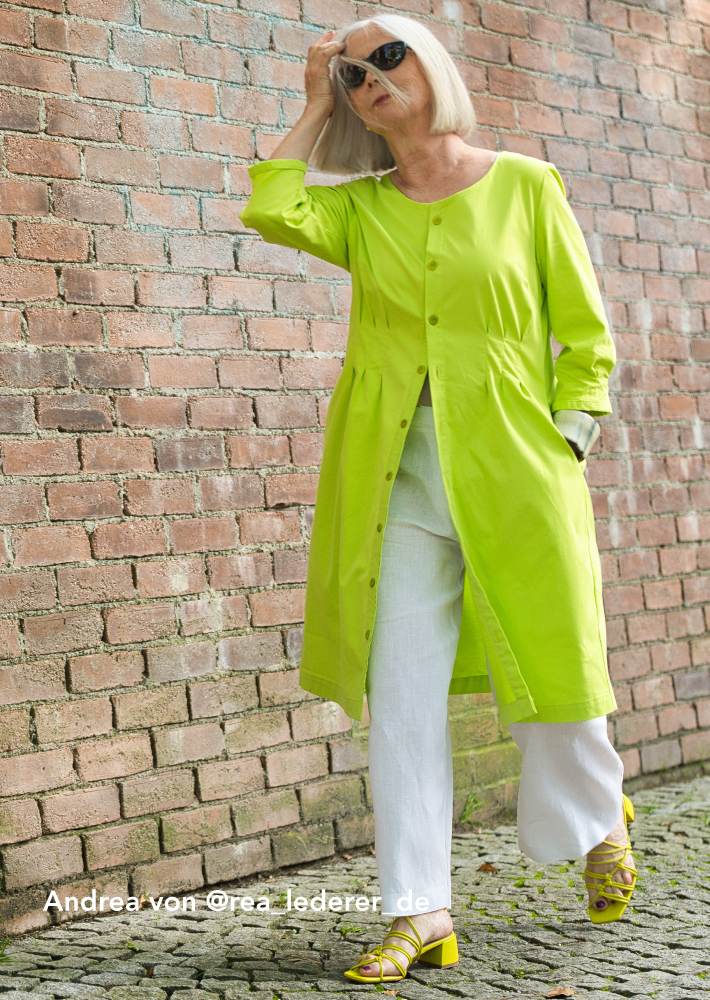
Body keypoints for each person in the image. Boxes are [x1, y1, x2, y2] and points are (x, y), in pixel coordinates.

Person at [239, 12, 638, 985]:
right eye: (352, 74)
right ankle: (418, 909)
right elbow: (273, 206)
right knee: (403, 694)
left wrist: (569, 436)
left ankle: (598, 819)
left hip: (517, 465)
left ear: (433, 64)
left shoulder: (526, 186)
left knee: (553, 661)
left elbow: (585, 338)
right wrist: (311, 103)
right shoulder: (361, 210)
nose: (370, 77)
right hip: (394, 478)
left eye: (388, 55)